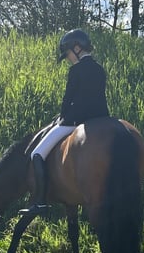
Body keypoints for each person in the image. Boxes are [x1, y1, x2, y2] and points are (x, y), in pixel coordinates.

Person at [19, 29, 110, 216]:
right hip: (101, 118)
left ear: (77, 48)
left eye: (68, 53)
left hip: (74, 121)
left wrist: (62, 117)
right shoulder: (100, 69)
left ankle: (40, 202)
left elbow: (68, 99)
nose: (68, 58)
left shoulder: (76, 70)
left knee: (37, 154)